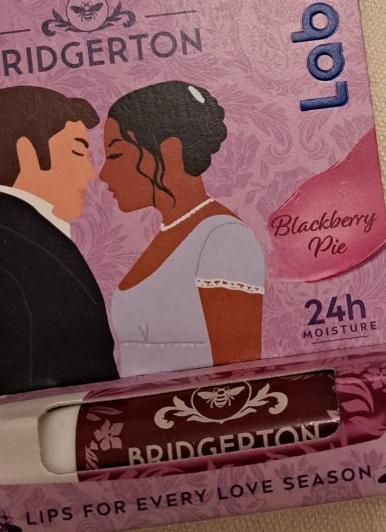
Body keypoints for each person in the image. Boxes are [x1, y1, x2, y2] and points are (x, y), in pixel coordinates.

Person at [100, 81, 265, 374]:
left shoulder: (223, 238)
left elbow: (238, 371)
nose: (103, 174)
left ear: (170, 151)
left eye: (115, 155)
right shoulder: (172, 231)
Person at [0, 86, 117, 394]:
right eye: (78, 153)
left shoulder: (16, 232)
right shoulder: (8, 246)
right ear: (27, 152)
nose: (90, 174)